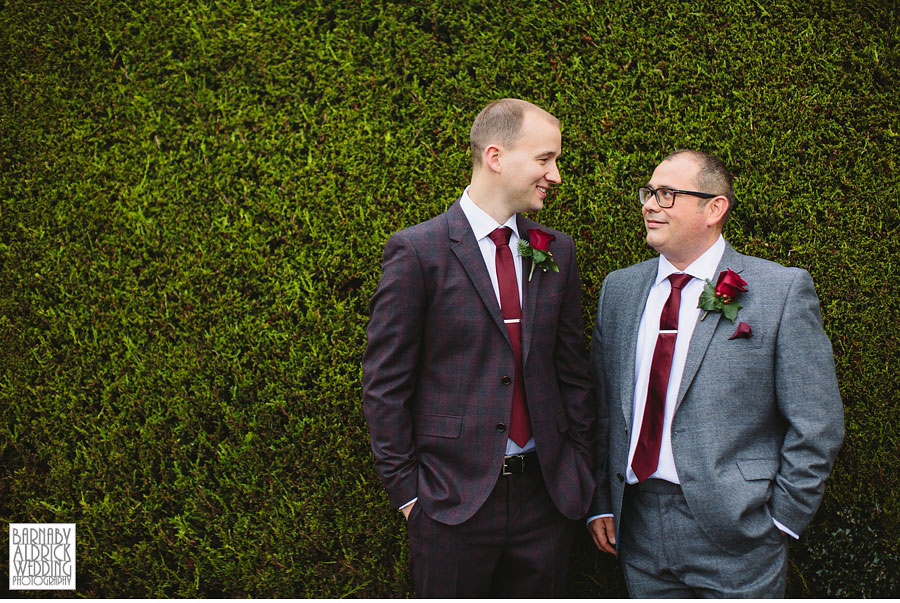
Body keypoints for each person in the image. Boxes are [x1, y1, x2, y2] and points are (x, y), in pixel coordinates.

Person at [362, 98, 594, 597]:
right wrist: (408, 494)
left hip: (547, 497)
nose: (555, 175)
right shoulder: (418, 251)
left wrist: (579, 469)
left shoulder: (558, 249)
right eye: (544, 159)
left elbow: (571, 369)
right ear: (495, 156)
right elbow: (385, 385)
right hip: (452, 502)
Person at [587, 149, 843, 597]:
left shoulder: (779, 291)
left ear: (714, 208)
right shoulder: (620, 289)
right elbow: (602, 407)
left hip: (738, 532)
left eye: (666, 194)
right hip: (638, 525)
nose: (649, 204)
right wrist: (599, 503)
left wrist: (781, 519)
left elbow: (816, 422)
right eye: (648, 192)